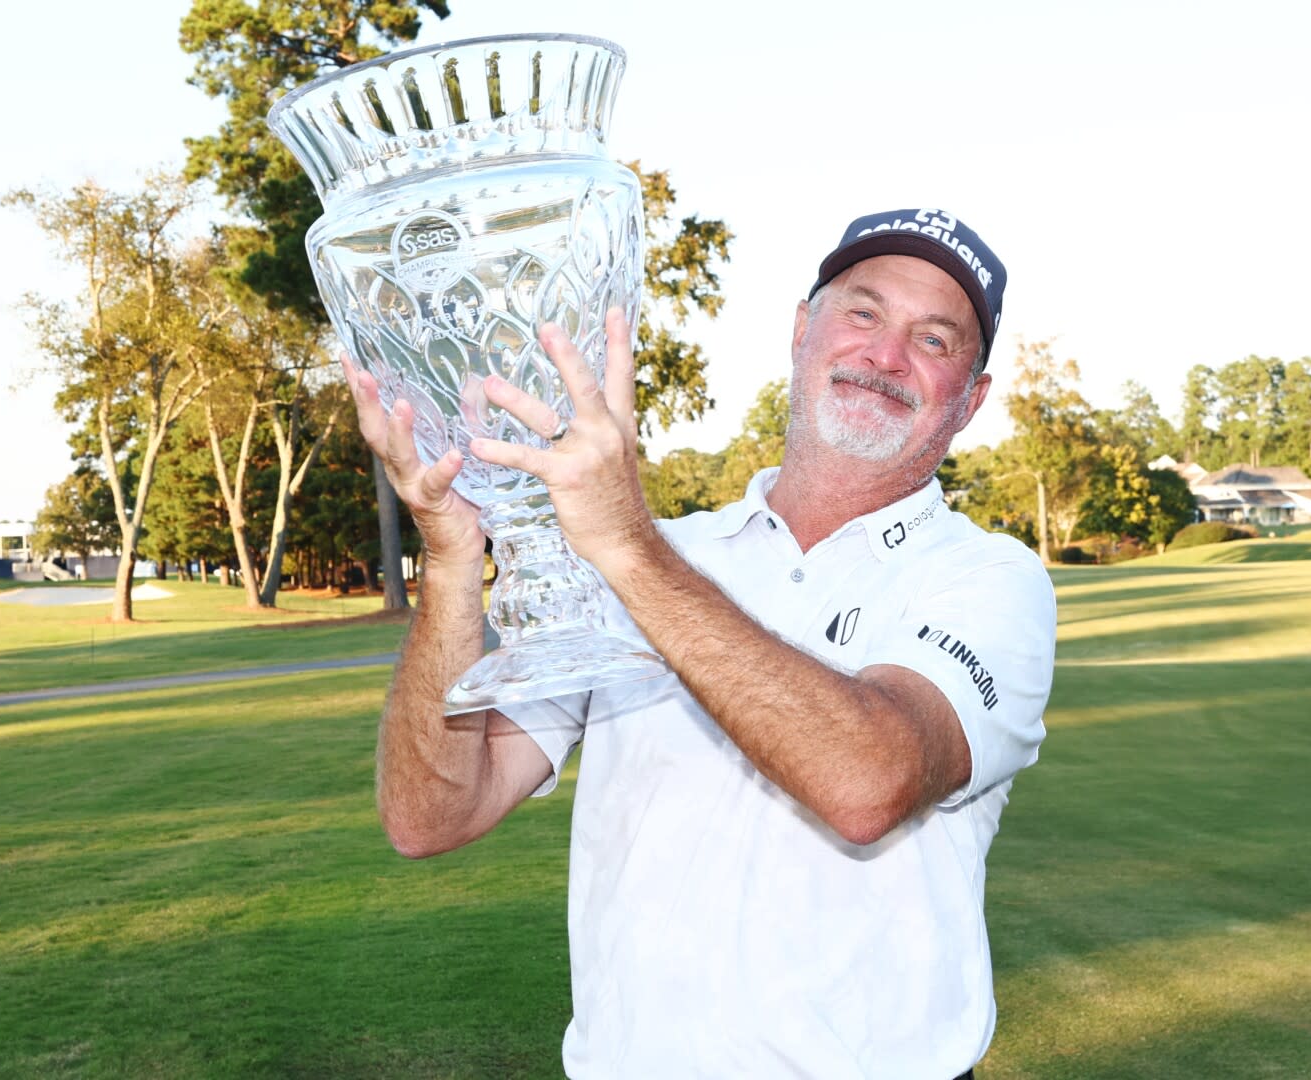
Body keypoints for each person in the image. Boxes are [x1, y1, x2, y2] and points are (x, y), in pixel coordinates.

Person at [344, 209, 1056, 1079]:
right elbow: (431, 816)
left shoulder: (990, 579)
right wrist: (454, 559)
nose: (885, 356)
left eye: (935, 339)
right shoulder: (659, 558)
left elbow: (870, 782)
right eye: (862, 314)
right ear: (803, 331)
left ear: (971, 399)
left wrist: (625, 543)